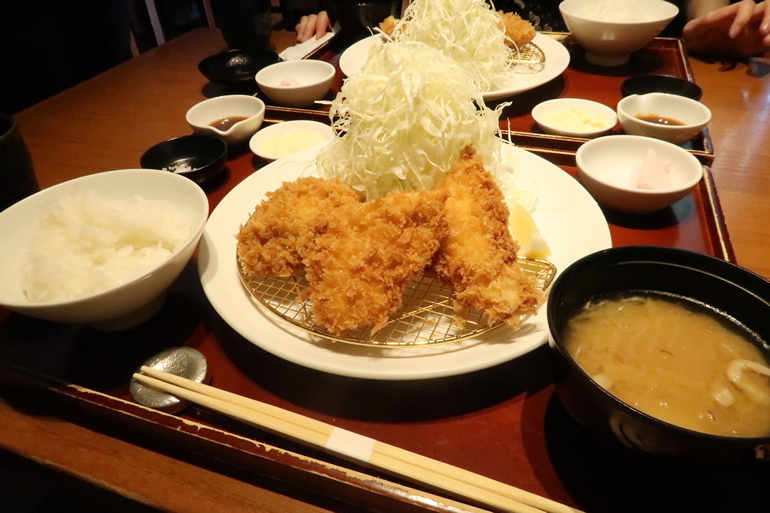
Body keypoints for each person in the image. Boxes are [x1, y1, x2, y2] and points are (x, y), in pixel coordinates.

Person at [295, 0, 770, 58]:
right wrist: (328, 13)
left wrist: (712, 32)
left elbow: (704, 20)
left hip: (623, 83)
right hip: (494, 110)